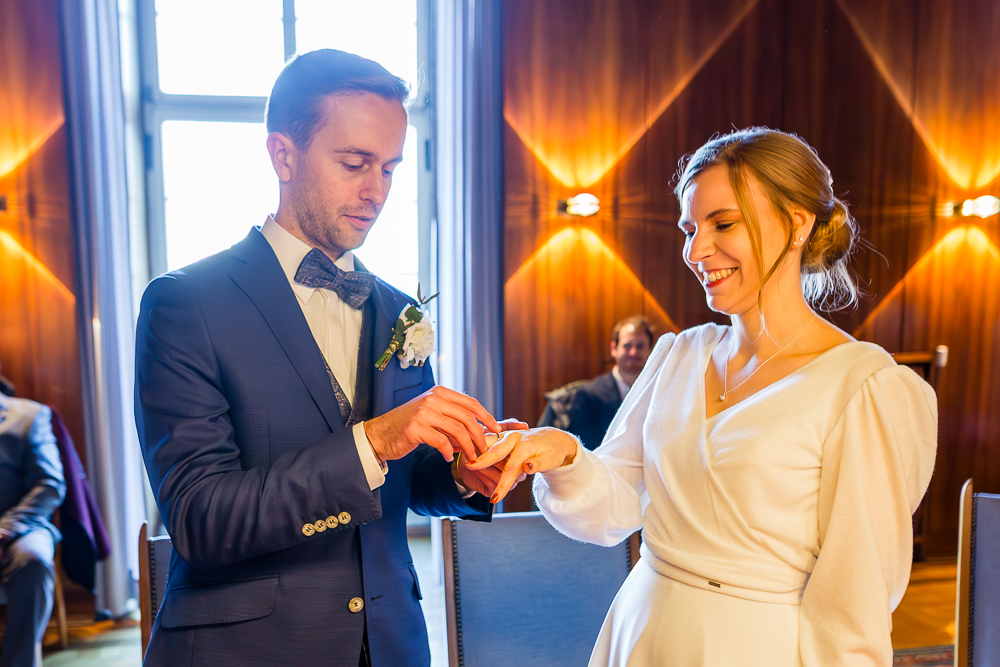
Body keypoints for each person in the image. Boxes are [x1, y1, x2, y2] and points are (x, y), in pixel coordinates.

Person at [470, 128, 938, 665]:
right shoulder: (678, 355)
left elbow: (855, 600)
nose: (697, 250)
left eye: (724, 223)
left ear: (798, 223)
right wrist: (567, 455)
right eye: (690, 229)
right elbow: (617, 505)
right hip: (641, 628)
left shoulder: (862, 387)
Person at [135, 50, 523, 667]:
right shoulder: (185, 303)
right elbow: (200, 519)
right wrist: (371, 442)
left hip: (391, 643)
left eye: (390, 168)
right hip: (247, 649)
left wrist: (458, 475)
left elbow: (405, 479)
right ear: (282, 155)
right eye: (354, 163)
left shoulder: (399, 312)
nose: (377, 192)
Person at [0, 380, 66, 667]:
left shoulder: (28, 415)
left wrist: (4, 531)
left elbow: (49, 484)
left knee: (34, 560)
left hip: (21, 526)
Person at [554, 316, 654, 450]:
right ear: (614, 348)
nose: (633, 352)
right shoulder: (588, 396)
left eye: (640, 346)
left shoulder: (658, 392)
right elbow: (586, 451)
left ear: (651, 350)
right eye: (627, 345)